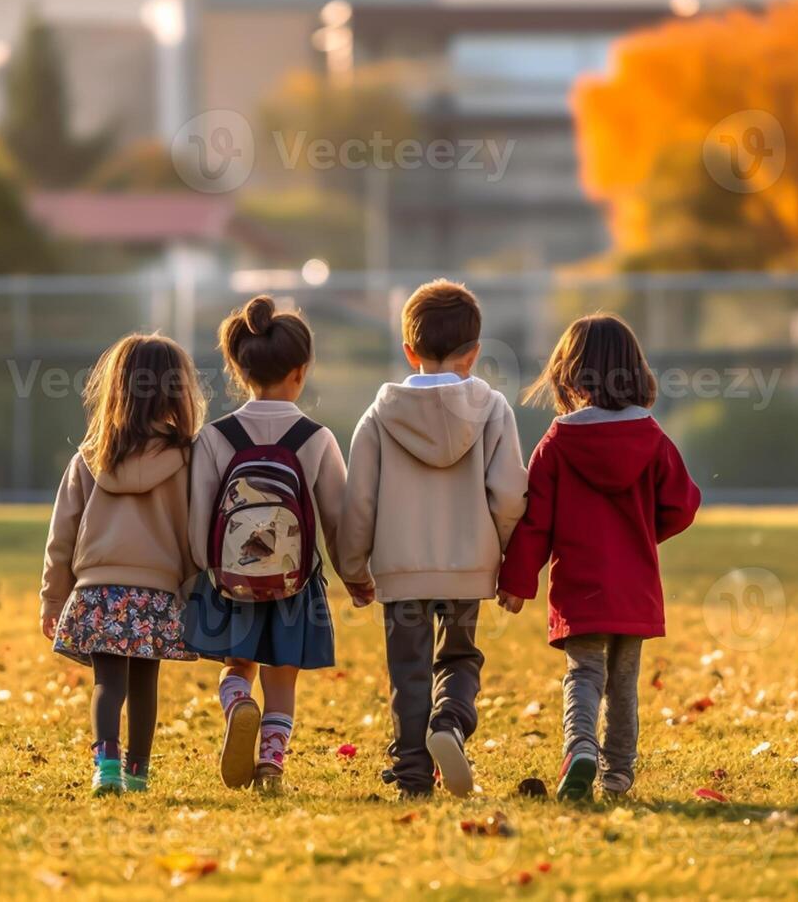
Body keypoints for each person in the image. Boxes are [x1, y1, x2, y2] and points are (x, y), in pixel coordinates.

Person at [496, 314, 701, 801]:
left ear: (568, 374)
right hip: (635, 589)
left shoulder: (556, 445)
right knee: (624, 683)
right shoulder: (652, 439)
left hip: (580, 588)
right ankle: (617, 774)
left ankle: (580, 746)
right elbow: (683, 505)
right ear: (635, 371)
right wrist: (642, 537)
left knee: (584, 674)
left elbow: (535, 523)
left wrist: (517, 581)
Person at [339, 279, 529, 799]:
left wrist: (354, 569)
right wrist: (504, 550)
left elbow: (360, 503)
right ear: (473, 354)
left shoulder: (378, 418)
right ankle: (450, 723)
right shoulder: (493, 411)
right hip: (468, 564)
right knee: (461, 658)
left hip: (401, 571)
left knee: (408, 670)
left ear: (408, 350)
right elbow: (510, 493)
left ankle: (414, 777)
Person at [186, 296, 375, 791]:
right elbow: (337, 520)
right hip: (294, 585)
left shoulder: (213, 437)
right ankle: (271, 765)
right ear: (300, 370)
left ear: (239, 369)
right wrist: (355, 576)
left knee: (237, 664)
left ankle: (236, 703)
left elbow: (198, 517)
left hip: (231, 581)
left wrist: (200, 568)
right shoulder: (316, 438)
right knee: (283, 678)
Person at [39, 334, 205, 796]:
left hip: (97, 592)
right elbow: (195, 533)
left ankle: (105, 765)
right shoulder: (189, 459)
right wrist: (194, 589)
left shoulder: (88, 458)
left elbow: (62, 537)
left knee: (106, 685)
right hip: (156, 594)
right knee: (146, 685)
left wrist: (53, 597)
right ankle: (139, 771)